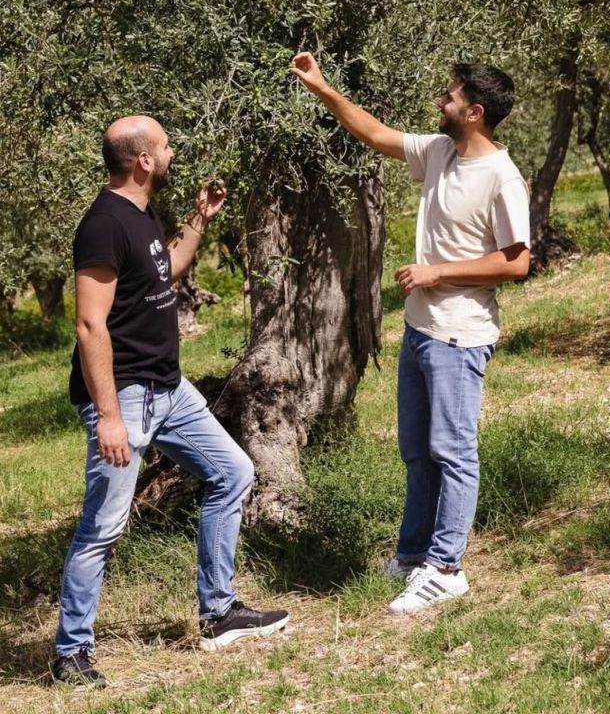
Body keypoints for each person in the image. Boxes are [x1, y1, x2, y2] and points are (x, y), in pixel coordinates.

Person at [52, 115, 289, 687]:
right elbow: (89, 325)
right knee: (103, 527)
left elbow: (166, 269)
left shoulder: (143, 213)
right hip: (126, 396)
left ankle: (219, 613)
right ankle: (71, 654)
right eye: (164, 145)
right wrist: (109, 417)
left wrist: (200, 220)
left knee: (233, 472)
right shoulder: (103, 225)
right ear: (143, 160)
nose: (172, 151)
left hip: (169, 390)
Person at [289, 55, 530, 615]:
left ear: (474, 112)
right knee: (418, 453)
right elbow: (374, 133)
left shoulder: (502, 177)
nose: (440, 103)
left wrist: (437, 272)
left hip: (459, 336)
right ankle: (412, 555)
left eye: (450, 97)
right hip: (421, 331)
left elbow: (517, 262)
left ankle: (446, 569)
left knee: (453, 452)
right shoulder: (440, 151)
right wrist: (322, 88)